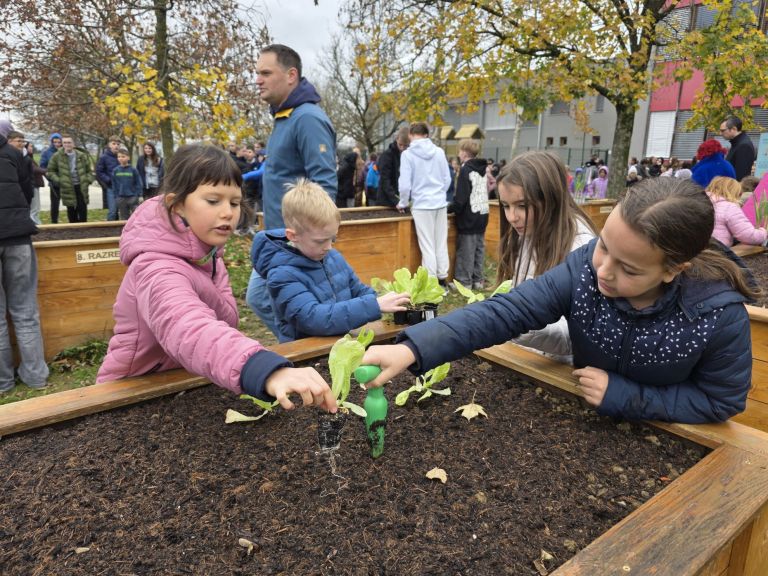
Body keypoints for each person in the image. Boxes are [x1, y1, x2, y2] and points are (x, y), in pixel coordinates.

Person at [361, 177, 759, 424]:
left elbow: (719, 401)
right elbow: (507, 311)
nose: (603, 270)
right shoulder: (584, 269)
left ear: (674, 269)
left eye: (629, 269)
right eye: (604, 247)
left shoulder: (717, 317)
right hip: (583, 417)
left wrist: (626, 396)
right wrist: (414, 348)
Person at [97, 144, 337, 413]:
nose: (228, 213)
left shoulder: (207, 254)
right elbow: (187, 326)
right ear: (176, 205)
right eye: (213, 201)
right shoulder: (156, 267)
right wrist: (261, 368)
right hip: (131, 397)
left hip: (183, 384)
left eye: (234, 202)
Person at [245, 44, 337, 338]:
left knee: (264, 298)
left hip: (295, 241)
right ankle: (310, 351)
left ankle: (312, 350)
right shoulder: (284, 117)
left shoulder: (306, 118)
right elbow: (282, 171)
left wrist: (313, 238)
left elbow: (323, 181)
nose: (258, 79)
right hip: (278, 237)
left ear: (291, 75)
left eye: (265, 72)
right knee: (265, 299)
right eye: (257, 73)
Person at [251, 179, 410, 342]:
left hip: (340, 343)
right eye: (320, 241)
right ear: (293, 236)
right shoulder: (281, 275)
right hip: (307, 353)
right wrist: (374, 306)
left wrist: (389, 299)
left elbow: (358, 290)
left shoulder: (332, 256)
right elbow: (314, 318)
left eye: (332, 238)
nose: (328, 247)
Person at [496, 151, 596, 361]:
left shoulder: (581, 247)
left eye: (522, 206)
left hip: (560, 372)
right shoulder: (529, 230)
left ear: (551, 198)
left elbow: (577, 337)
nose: (512, 217)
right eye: (506, 206)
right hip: (528, 360)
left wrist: (519, 325)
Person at [0, 119, 49, 392]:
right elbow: (28, 189)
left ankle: (3, 382)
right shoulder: (13, 154)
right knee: (25, 311)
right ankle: (35, 376)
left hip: (15, 234)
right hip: (18, 237)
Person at [397, 121, 452, 288]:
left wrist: (403, 202)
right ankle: (442, 279)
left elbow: (405, 184)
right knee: (440, 242)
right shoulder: (439, 152)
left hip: (422, 205)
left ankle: (431, 283)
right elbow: (447, 179)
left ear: (411, 135)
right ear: (427, 134)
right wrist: (440, 194)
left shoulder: (407, 155)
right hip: (440, 203)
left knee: (427, 245)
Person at [449, 139, 489, 290]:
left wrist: (452, 208)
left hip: (469, 217)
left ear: (464, 153)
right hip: (482, 214)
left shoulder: (466, 170)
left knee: (466, 251)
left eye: (459, 150)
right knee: (479, 250)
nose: (458, 153)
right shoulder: (483, 169)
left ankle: (464, 282)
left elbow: (461, 197)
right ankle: (477, 280)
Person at [45, 134, 94, 223]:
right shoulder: (57, 156)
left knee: (82, 208)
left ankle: (83, 229)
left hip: (81, 185)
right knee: (71, 208)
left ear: (74, 144)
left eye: (69, 142)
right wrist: (59, 180)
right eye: (65, 142)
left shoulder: (82, 155)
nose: (67, 144)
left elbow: (89, 171)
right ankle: (73, 229)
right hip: (67, 186)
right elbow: (51, 171)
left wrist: (87, 180)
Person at [706, 176, 766, 247]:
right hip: (717, 252)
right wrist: (763, 232)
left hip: (696, 251)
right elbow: (749, 236)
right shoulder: (729, 207)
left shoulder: (699, 201)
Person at [375, 126, 410, 208]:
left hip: (399, 199)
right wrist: (395, 200)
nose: (402, 148)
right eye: (400, 145)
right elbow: (385, 180)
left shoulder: (407, 156)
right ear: (396, 139)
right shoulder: (387, 156)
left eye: (405, 146)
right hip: (386, 201)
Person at [721, 115, 756, 181]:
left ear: (734, 129)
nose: (721, 133)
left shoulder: (744, 146)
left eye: (723, 130)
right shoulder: (737, 142)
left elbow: (741, 176)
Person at [96, 136, 122, 221]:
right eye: (113, 144)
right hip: (111, 187)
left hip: (123, 187)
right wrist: (108, 180)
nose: (116, 146)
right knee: (112, 211)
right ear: (109, 145)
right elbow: (99, 171)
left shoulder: (122, 156)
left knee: (122, 210)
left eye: (118, 144)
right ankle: (109, 228)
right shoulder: (104, 157)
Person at [112, 147, 142, 220]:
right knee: (124, 217)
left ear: (128, 157)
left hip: (132, 197)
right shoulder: (116, 170)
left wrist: (139, 195)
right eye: (119, 157)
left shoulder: (133, 170)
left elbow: (138, 183)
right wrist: (116, 196)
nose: (121, 158)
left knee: (136, 216)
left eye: (123, 156)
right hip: (121, 197)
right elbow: (114, 184)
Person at [39, 132, 62, 223]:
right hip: (54, 182)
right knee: (55, 203)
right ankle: (54, 221)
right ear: (51, 142)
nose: (57, 144)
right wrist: (49, 177)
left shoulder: (64, 151)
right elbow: (42, 167)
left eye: (58, 142)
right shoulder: (46, 153)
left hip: (66, 180)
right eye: (54, 142)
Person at [25, 142, 45, 225]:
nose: (31, 148)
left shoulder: (30, 157)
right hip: (32, 185)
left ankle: (35, 223)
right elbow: (34, 169)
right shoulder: (26, 158)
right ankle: (35, 224)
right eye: (30, 146)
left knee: (36, 207)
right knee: (34, 207)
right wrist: (47, 171)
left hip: (34, 185)